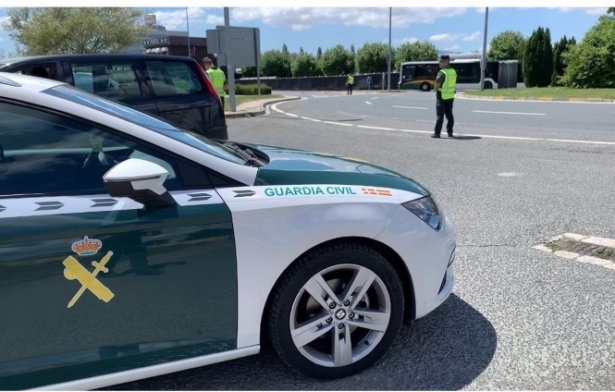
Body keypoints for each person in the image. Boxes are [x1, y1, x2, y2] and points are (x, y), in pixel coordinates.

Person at [432, 55, 457, 138]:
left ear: (447, 62)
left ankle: (437, 133)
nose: (439, 63)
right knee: (450, 115)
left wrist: (435, 89)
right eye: (439, 61)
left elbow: (437, 86)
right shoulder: (453, 71)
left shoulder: (442, 72)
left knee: (440, 116)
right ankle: (450, 132)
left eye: (441, 61)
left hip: (441, 96)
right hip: (450, 96)